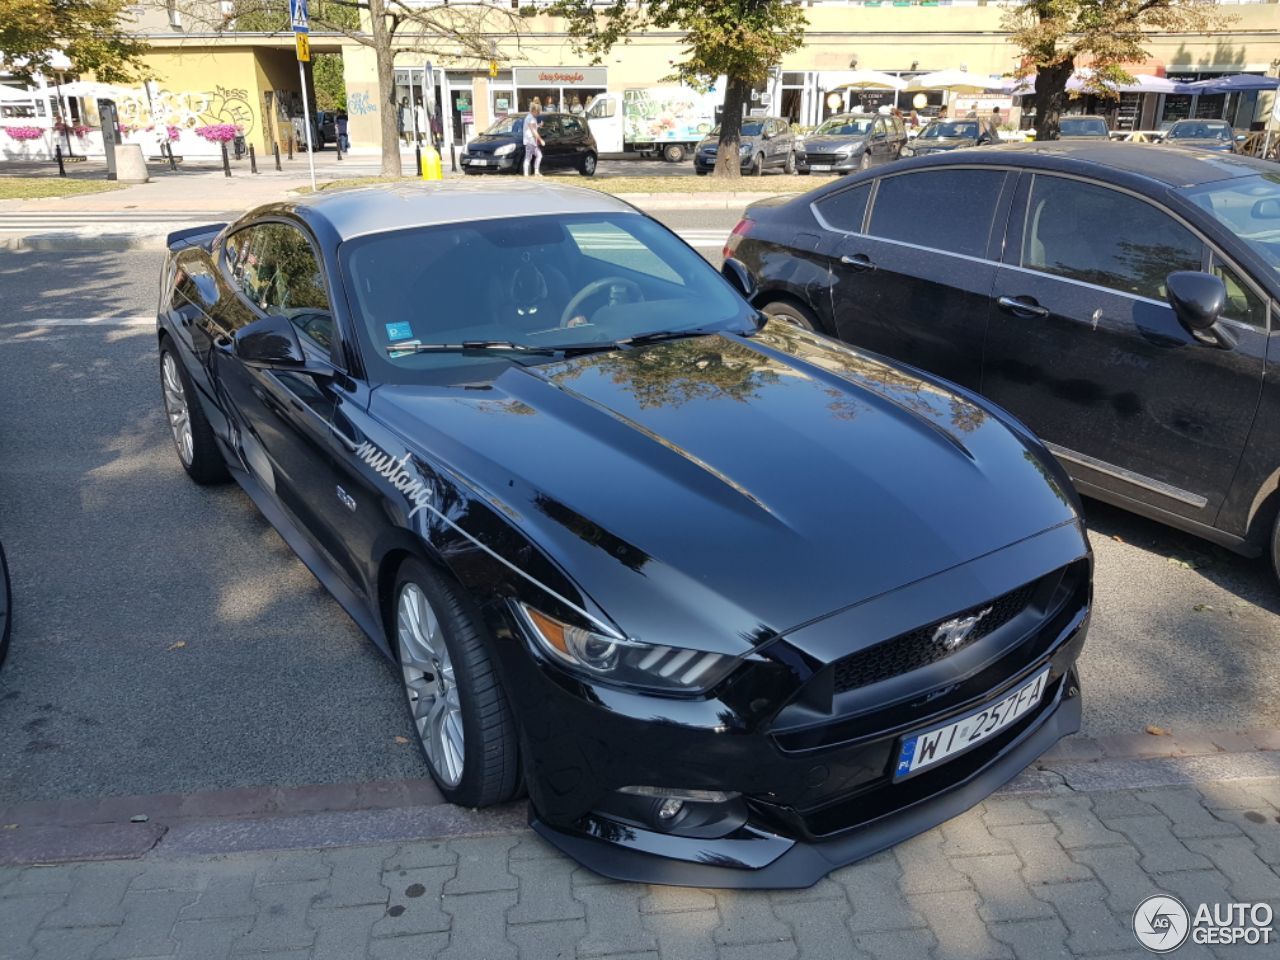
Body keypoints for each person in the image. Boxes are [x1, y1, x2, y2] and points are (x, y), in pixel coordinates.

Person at [523, 103, 544, 177]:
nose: (538, 114)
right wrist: (540, 139)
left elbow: (532, 127)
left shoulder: (531, 117)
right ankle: (534, 172)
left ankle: (529, 173)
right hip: (530, 140)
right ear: (534, 110)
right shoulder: (530, 118)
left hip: (529, 140)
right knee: (537, 156)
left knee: (529, 157)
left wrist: (538, 125)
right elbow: (533, 130)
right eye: (538, 112)